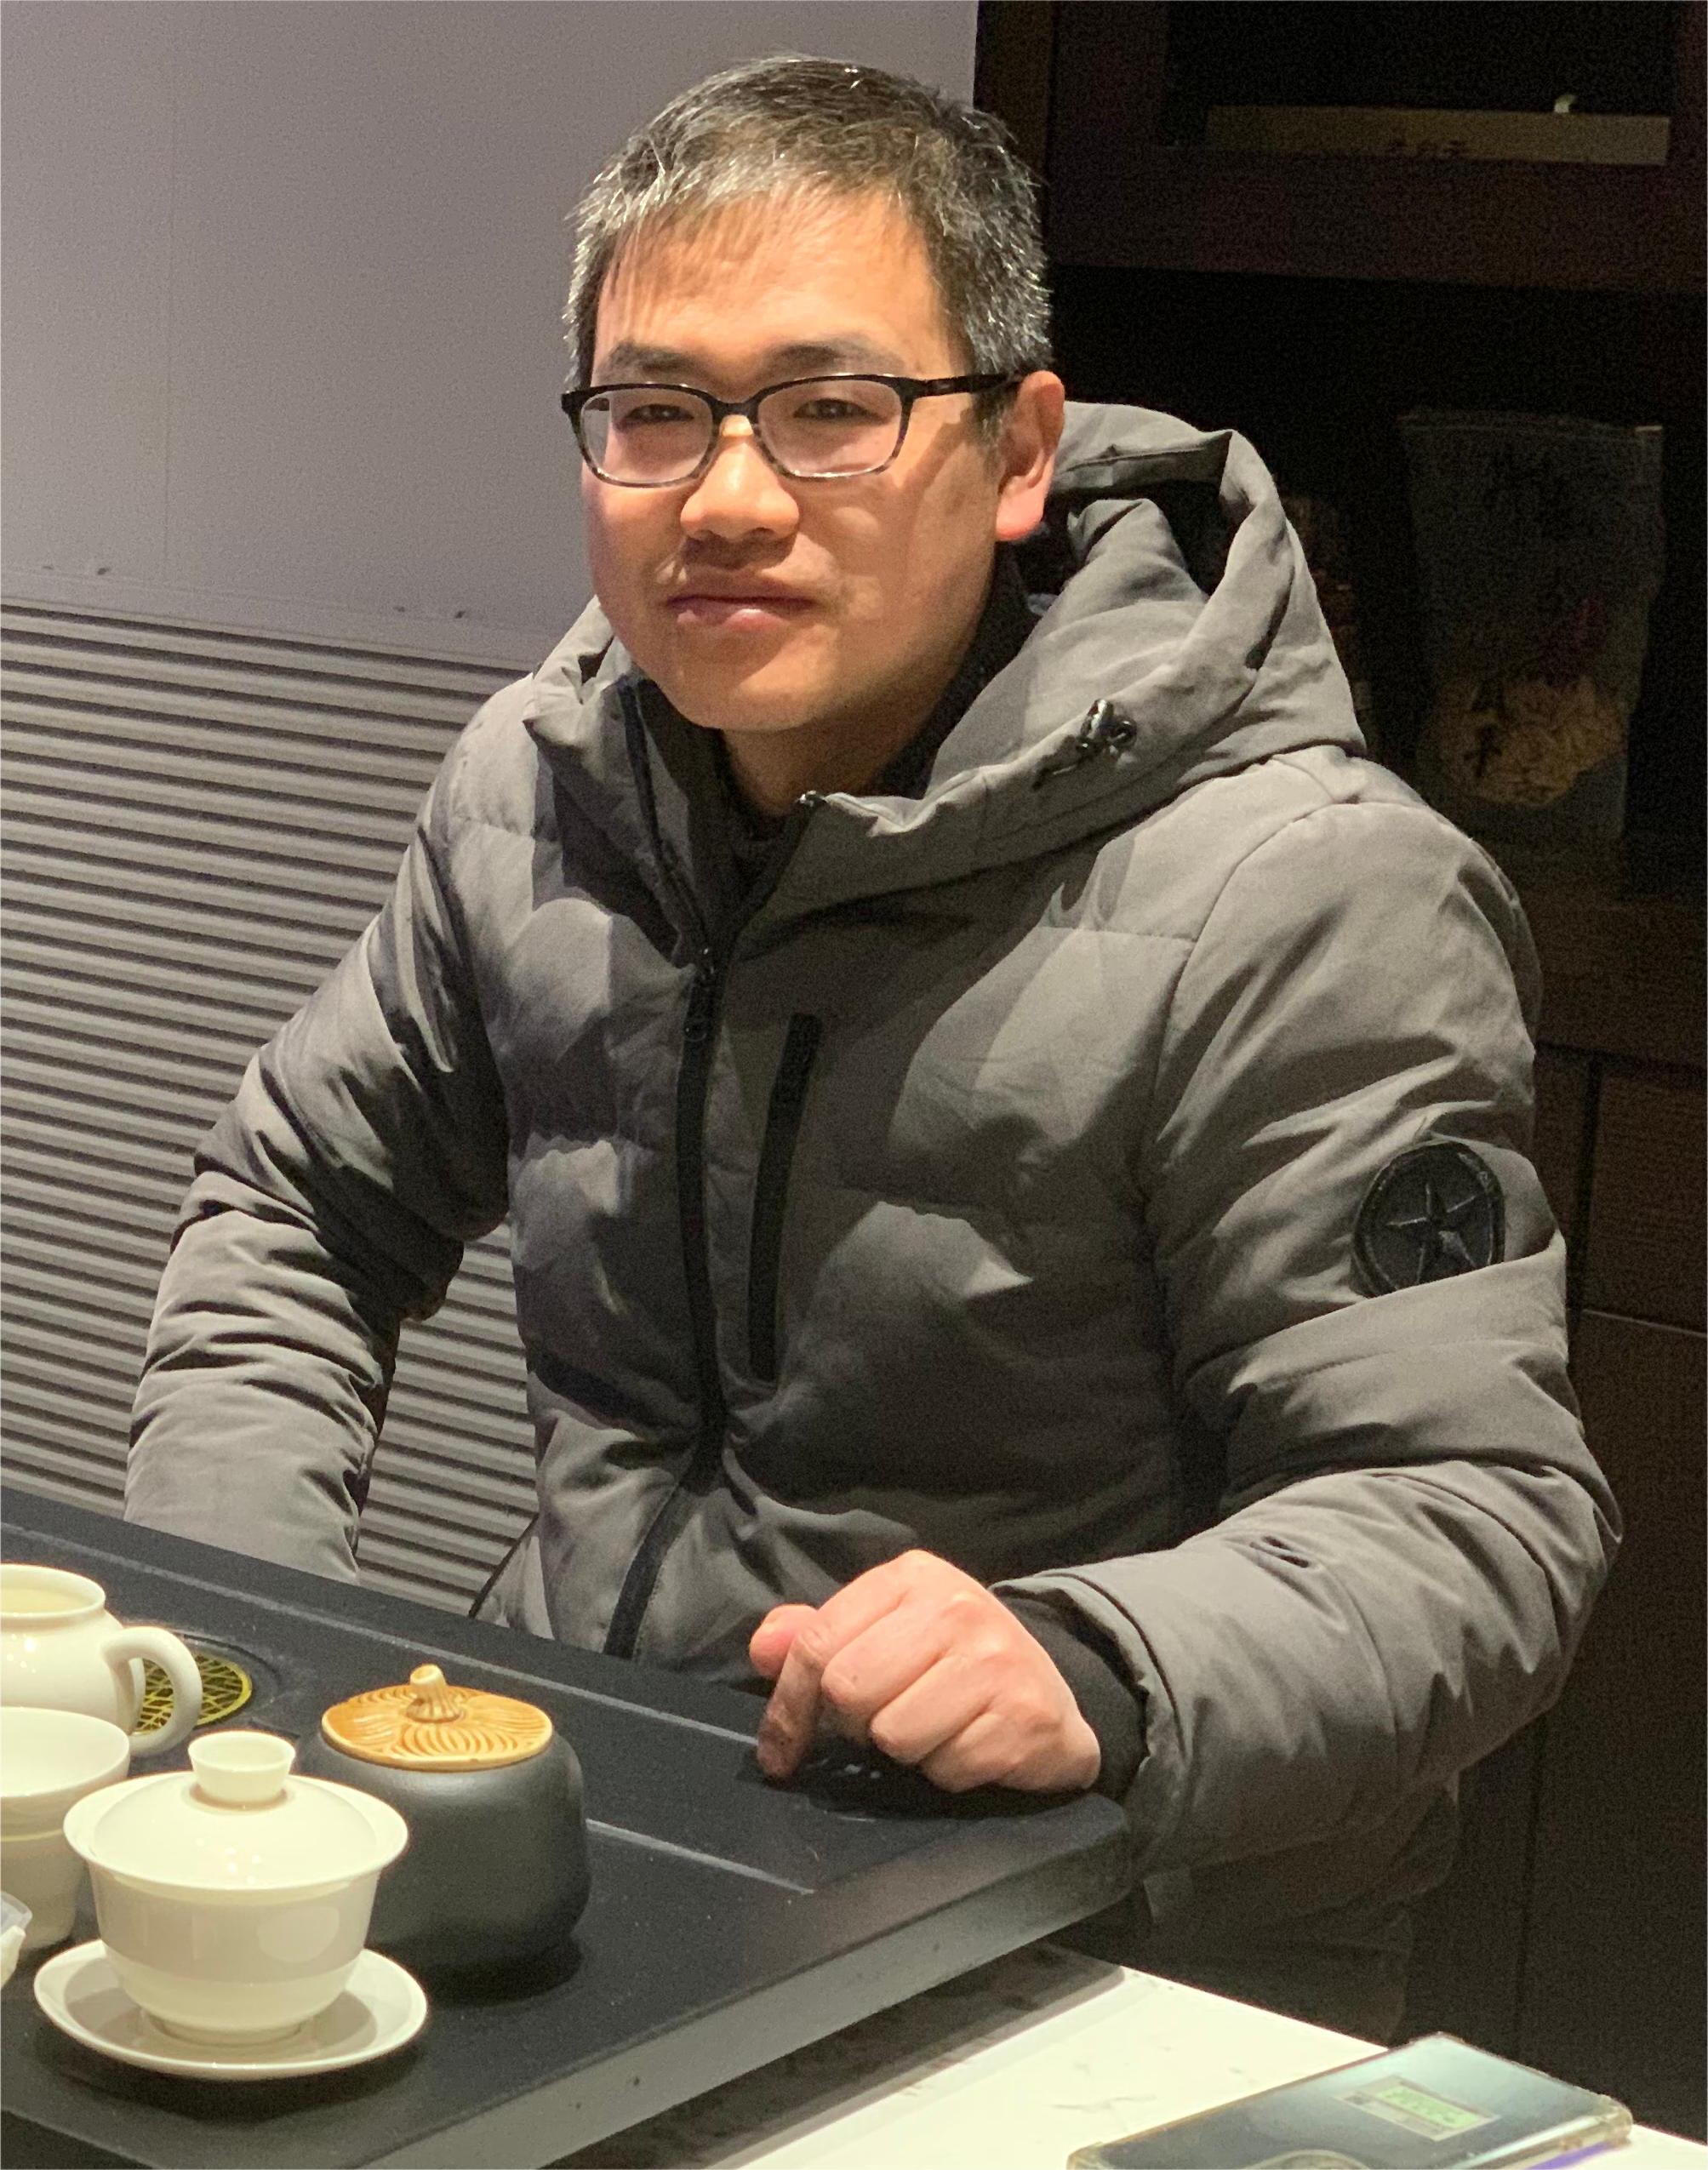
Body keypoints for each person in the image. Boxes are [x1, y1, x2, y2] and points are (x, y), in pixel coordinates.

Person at [126, 56, 1617, 2037]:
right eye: (653, 413)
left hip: (1097, 1934)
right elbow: (297, 1208)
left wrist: (1095, 1661)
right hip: (593, 1827)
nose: (728, 497)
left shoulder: (1300, 894)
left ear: (1013, 452)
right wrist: (254, 1629)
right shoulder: (539, 790)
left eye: (829, 411)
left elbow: (1469, 1516)